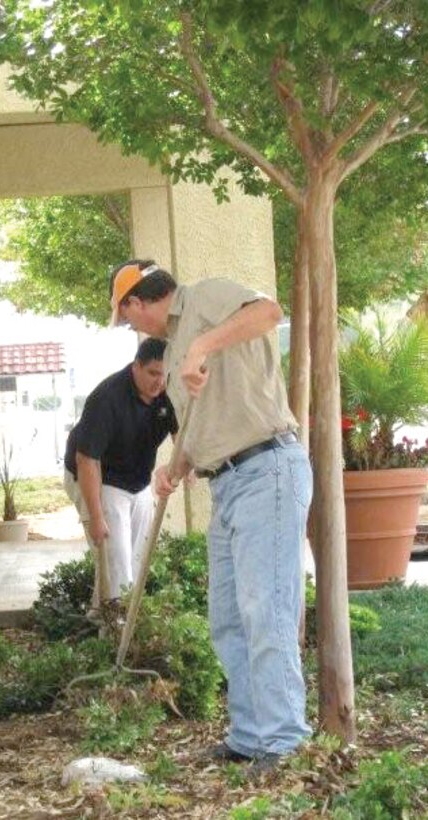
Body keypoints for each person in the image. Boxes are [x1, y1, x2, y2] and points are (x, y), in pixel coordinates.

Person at [109, 259, 313, 770]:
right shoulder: (175, 344)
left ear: (138, 301)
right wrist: (173, 467)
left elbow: (269, 312)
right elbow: (200, 424)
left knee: (267, 610)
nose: (130, 326)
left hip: (267, 468)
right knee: (228, 617)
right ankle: (249, 736)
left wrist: (204, 346)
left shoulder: (204, 297)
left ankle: (285, 743)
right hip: (227, 484)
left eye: (126, 316)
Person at [64, 337, 177, 604]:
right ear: (136, 366)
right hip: (98, 477)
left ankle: (101, 617)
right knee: (116, 561)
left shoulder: (168, 393)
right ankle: (115, 630)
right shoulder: (106, 398)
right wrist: (96, 516)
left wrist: (180, 469)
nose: (159, 382)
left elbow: (182, 435)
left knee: (133, 560)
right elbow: (86, 460)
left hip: (137, 480)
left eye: (164, 375)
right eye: (152, 373)